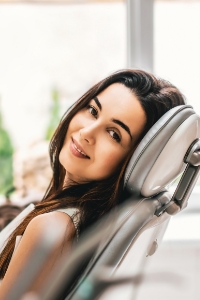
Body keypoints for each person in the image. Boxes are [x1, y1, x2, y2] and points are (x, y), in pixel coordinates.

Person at [0, 69, 185, 297]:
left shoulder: (52, 229)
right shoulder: (90, 220)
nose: (87, 132)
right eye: (93, 110)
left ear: (134, 160)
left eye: (114, 134)